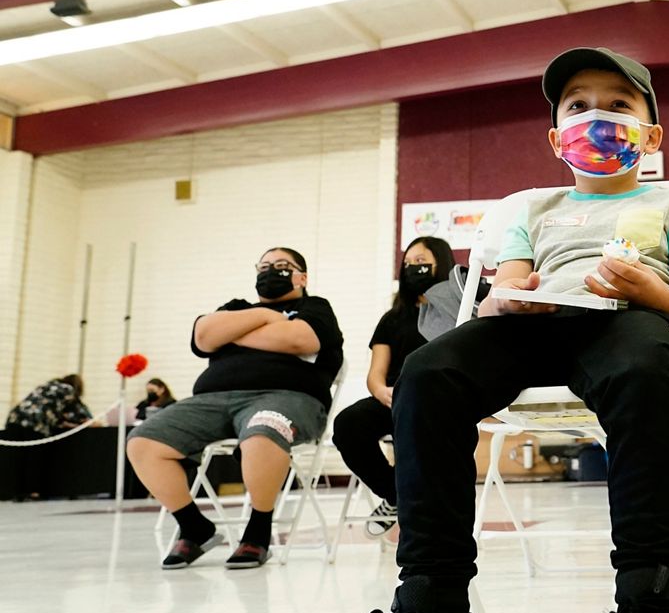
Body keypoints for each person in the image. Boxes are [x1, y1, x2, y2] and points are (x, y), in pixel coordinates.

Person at [336, 47, 669, 613]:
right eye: (579, 106)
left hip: (627, 321)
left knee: (648, 366)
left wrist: (653, 292)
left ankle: (646, 610)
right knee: (429, 372)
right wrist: (508, 302)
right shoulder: (532, 210)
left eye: (618, 105)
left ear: (651, 135)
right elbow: (508, 288)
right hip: (534, 327)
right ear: (555, 137)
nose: (597, 117)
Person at [127, 247, 344, 570]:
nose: (271, 270)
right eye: (265, 265)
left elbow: (301, 340)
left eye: (282, 265)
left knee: (263, 432)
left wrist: (234, 334)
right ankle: (194, 527)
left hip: (287, 397)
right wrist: (268, 318)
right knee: (143, 441)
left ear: (303, 277)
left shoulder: (315, 307)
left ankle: (258, 532)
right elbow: (203, 336)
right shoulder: (236, 307)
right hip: (211, 401)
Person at [332, 236, 455, 537]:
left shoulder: (458, 312)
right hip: (395, 398)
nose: (413, 267)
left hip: (442, 400)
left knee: (418, 428)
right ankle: (398, 496)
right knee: (348, 424)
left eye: (421, 261)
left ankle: (417, 507)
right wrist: (382, 392)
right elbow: (376, 374)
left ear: (441, 264)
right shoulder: (393, 318)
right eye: (408, 262)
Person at [1, 374, 93, 500]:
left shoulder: (46, 386)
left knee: (16, 457)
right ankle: (33, 492)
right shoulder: (68, 390)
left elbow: (53, 411)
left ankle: (12, 491)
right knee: (34, 457)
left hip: (15, 418)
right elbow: (81, 415)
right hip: (36, 422)